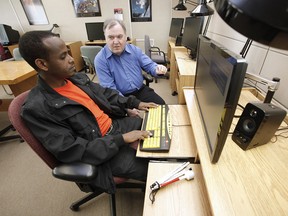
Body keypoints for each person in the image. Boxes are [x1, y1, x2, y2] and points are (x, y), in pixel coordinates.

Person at [18, 31, 158, 193]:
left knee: (156, 129)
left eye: (68, 53)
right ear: (42, 64)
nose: (71, 59)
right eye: (63, 57)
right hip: (98, 150)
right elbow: (72, 150)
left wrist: (136, 102)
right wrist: (122, 139)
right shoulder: (37, 108)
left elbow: (106, 94)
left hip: (114, 127)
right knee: (153, 168)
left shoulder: (75, 79)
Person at [95, 18, 167, 106]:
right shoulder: (100, 59)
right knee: (131, 118)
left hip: (140, 90)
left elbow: (150, 65)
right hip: (120, 96)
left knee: (162, 107)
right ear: (105, 38)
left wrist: (157, 69)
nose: (116, 42)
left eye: (119, 36)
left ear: (125, 37)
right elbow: (110, 89)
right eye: (111, 37)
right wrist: (130, 106)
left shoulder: (134, 50)